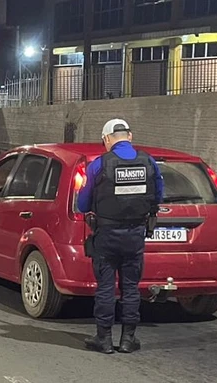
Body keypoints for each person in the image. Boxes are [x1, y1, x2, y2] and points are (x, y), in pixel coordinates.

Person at [76, 118, 164, 354]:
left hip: (106, 234)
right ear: (130, 136)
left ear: (106, 139)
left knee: (105, 287)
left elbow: (82, 204)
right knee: (131, 287)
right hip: (135, 234)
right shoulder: (148, 162)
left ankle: (103, 339)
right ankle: (128, 339)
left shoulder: (99, 165)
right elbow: (158, 194)